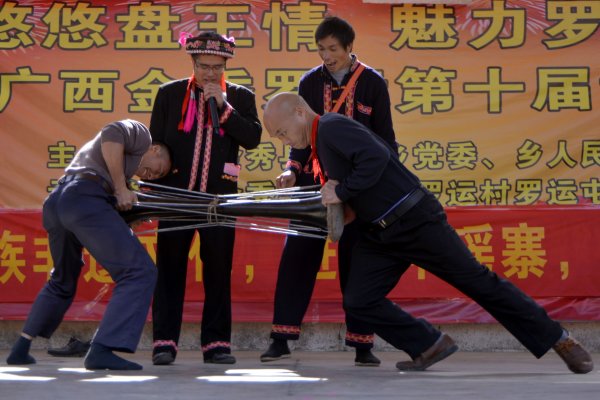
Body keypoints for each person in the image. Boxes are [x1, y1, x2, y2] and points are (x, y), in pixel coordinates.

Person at [263, 92, 594, 374]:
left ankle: (558, 338)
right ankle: (428, 345)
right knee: (359, 301)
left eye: (283, 132)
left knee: (478, 282)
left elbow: (377, 156)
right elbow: (354, 186)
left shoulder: (332, 126)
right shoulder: (321, 144)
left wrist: (343, 190)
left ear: (300, 112)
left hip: (415, 220)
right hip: (379, 234)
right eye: (279, 138)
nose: (286, 141)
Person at [261, 16, 396, 366]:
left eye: (333, 49)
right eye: (321, 49)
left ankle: (362, 344)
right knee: (297, 258)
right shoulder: (309, 82)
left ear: (349, 48)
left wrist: (385, 184)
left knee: (357, 263)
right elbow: (298, 136)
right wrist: (291, 169)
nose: (327, 55)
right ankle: (281, 338)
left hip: (357, 188)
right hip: (313, 185)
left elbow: (385, 141)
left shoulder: (372, 83)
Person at [5, 119, 172, 370]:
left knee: (62, 279)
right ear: (155, 150)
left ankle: (20, 348)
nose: (151, 175)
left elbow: (106, 211)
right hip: (83, 197)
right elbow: (111, 133)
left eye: (156, 177)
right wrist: (119, 188)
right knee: (140, 271)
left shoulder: (122, 173)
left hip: (59, 202)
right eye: (158, 169)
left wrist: (125, 211)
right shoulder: (142, 136)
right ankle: (102, 349)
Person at [149, 31, 262, 365]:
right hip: (176, 197)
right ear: (192, 63)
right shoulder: (169, 95)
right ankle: (164, 342)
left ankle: (216, 344)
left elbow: (253, 138)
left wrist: (224, 109)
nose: (210, 73)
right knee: (169, 269)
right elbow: (157, 144)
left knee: (217, 270)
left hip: (220, 200)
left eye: (217, 67)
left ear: (226, 64)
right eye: (204, 66)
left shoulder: (240, 97)